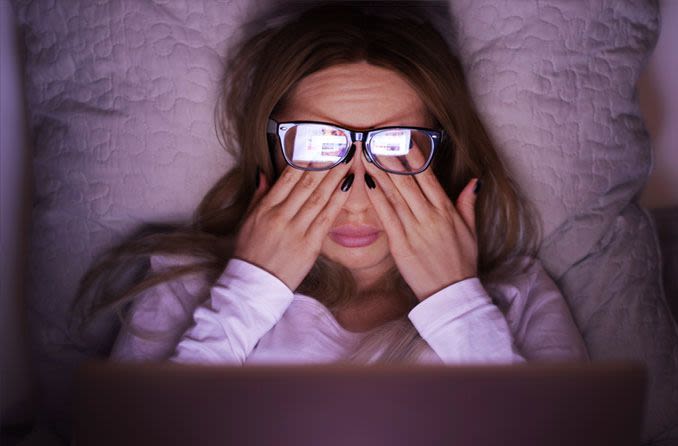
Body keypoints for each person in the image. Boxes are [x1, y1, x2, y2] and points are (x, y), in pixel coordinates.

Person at [73, 1, 589, 365]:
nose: (358, 196)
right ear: (272, 153)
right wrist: (245, 297)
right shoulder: (187, 290)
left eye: (394, 147)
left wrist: (458, 306)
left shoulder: (518, 298)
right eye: (320, 146)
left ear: (443, 154)